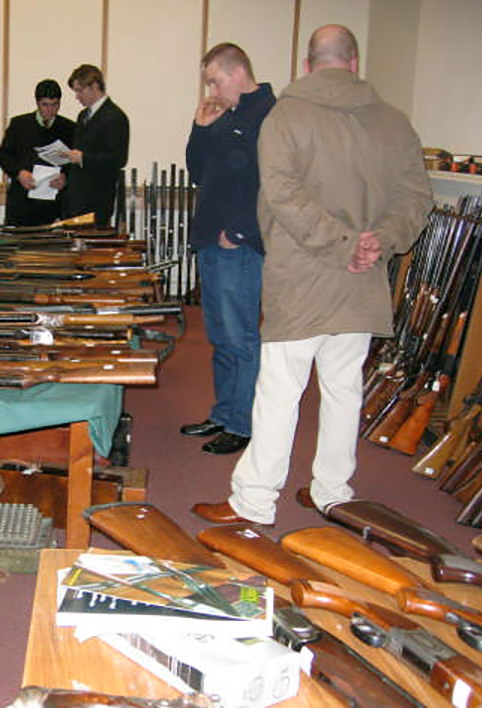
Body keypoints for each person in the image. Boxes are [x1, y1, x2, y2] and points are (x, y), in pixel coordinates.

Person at [192, 24, 433, 526]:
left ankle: (255, 500)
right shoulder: (395, 122)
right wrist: (377, 240)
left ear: (307, 64)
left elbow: (282, 196)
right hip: (363, 278)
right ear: (354, 61)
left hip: (303, 276)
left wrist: (342, 242)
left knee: (280, 391)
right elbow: (415, 199)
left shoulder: (286, 116)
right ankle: (332, 490)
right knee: (345, 389)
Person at [179, 43, 275, 455]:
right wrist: (201, 127)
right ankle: (223, 413)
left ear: (237, 73)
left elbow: (274, 187)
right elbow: (198, 171)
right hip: (210, 240)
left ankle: (243, 423)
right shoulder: (226, 114)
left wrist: (238, 231)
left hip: (238, 245)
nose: (212, 90)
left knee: (241, 338)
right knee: (219, 336)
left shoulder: (269, 115)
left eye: (215, 80)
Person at [0, 79, 77, 226]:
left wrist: (66, 177)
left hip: (54, 205)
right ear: (37, 103)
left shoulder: (69, 128)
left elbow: (76, 163)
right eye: (45, 105)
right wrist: (19, 173)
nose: (50, 110)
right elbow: (3, 156)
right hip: (22, 204)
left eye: (55, 105)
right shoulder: (19, 125)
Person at [61, 64, 129, 227]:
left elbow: (118, 159)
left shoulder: (115, 117)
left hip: (97, 201)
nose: (77, 96)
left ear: (94, 86)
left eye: (80, 90)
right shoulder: (83, 115)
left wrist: (83, 158)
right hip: (76, 199)